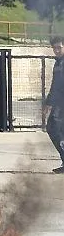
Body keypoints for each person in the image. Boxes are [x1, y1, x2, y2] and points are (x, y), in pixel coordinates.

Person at [45, 36, 64, 174]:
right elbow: (54, 84)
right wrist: (48, 103)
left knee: (55, 128)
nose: (56, 51)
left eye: (59, 48)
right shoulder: (58, 63)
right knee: (53, 128)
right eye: (54, 48)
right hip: (59, 102)